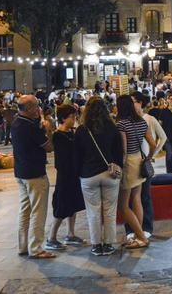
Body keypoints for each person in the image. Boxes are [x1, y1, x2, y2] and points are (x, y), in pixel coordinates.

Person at [74, 97, 124, 256]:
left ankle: (96, 245)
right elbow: (118, 152)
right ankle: (108, 244)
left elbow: (77, 156)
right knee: (110, 211)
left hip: (89, 175)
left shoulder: (82, 130)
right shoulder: (112, 128)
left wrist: (79, 173)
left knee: (93, 212)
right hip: (109, 173)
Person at [10, 95, 55, 259]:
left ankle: (23, 246)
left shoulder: (16, 123)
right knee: (38, 211)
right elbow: (49, 147)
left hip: (21, 173)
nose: (39, 109)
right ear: (29, 109)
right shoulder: (30, 127)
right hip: (35, 174)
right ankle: (36, 248)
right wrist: (49, 131)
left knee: (25, 210)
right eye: (37, 106)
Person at [116, 94, 156, 250]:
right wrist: (148, 158)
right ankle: (140, 236)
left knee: (123, 205)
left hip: (129, 163)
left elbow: (124, 150)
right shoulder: (141, 122)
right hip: (140, 160)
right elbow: (153, 144)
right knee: (137, 199)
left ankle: (139, 236)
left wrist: (121, 167)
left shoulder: (121, 124)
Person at [45, 104, 86, 251]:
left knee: (73, 204)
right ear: (63, 118)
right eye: (71, 117)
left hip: (74, 175)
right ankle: (51, 238)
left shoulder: (71, 133)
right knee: (62, 206)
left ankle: (70, 234)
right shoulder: (58, 136)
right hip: (65, 175)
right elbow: (63, 159)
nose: (74, 119)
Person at [128, 91, 167, 239]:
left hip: (144, 163)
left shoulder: (149, 119)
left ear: (140, 103)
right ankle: (132, 229)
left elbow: (162, 137)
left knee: (145, 196)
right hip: (132, 162)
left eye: (134, 101)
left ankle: (146, 227)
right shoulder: (129, 119)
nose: (132, 104)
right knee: (131, 198)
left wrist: (152, 155)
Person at [150, 94, 172, 173]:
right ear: (168, 100)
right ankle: (169, 171)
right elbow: (160, 124)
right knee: (169, 153)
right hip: (166, 136)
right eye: (171, 99)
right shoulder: (163, 111)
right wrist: (158, 135)